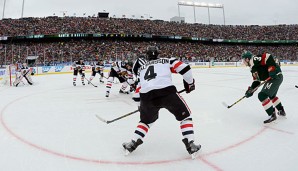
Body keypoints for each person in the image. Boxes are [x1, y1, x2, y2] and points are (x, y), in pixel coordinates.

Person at [122, 46, 201, 159]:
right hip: (167, 92)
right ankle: (190, 143)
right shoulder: (167, 61)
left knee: (145, 122)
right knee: (185, 117)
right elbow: (185, 68)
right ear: (158, 54)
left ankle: (132, 143)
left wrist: (140, 106)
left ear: (147, 56)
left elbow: (136, 94)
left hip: (146, 96)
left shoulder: (141, 69)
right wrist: (189, 84)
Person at [242, 51, 286, 124]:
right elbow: (257, 81)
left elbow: (268, 56)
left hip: (275, 76)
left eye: (243, 59)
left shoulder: (253, 59)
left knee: (262, 95)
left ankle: (272, 114)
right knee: (272, 96)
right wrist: (251, 90)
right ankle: (281, 111)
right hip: (276, 77)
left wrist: (271, 70)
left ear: (247, 59)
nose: (243, 61)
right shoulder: (252, 68)